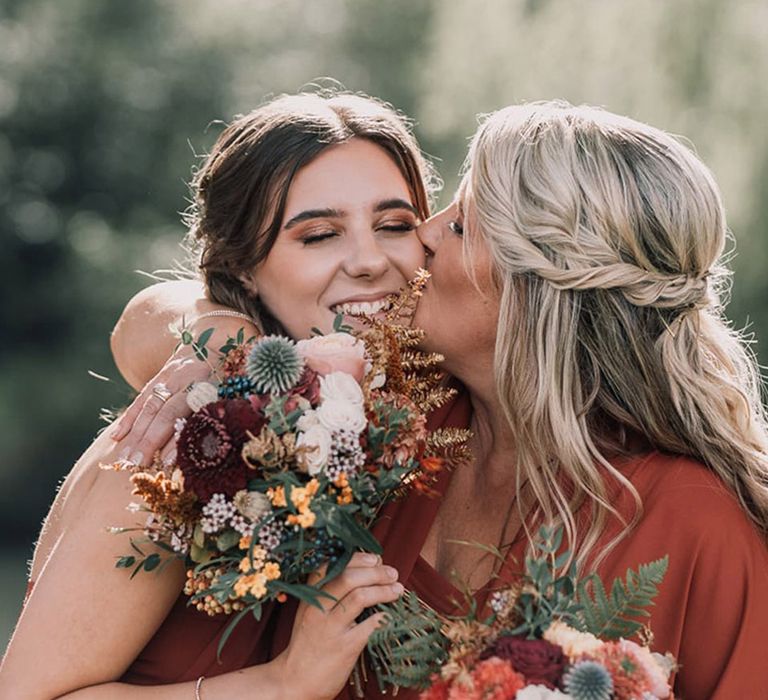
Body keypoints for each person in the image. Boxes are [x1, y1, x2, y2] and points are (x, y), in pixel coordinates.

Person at [107, 101, 768, 699]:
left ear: (537, 291)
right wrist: (219, 341)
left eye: (460, 225)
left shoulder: (702, 530)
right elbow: (142, 322)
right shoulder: (377, 417)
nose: (423, 233)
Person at [0, 91, 440, 699]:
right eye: (318, 235)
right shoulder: (181, 444)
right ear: (240, 271)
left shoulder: (417, 421)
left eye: (395, 225)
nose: (369, 260)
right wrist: (285, 684)